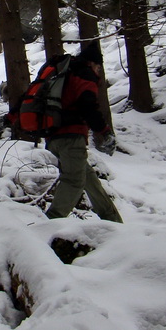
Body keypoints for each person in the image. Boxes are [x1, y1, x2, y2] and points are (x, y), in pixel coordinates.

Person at [42, 42, 123, 223]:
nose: (99, 71)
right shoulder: (84, 75)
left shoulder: (66, 74)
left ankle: (114, 223)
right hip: (71, 137)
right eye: (98, 67)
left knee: (89, 180)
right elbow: (88, 106)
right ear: (92, 63)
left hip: (54, 137)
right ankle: (47, 227)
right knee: (74, 182)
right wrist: (104, 131)